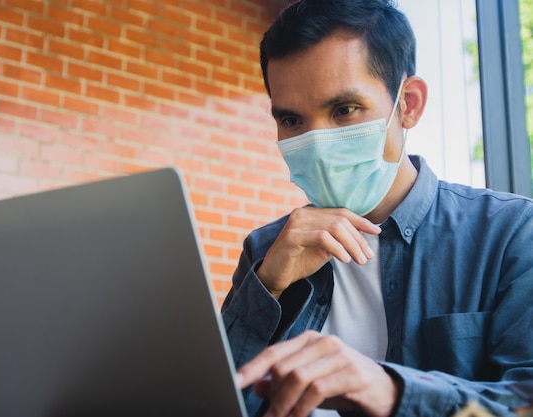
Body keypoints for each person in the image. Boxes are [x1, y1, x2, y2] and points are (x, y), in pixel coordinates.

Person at [220, 1, 533, 417]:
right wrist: (266, 289)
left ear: (409, 104)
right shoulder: (265, 249)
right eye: (293, 121)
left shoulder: (510, 234)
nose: (317, 143)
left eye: (344, 110)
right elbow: (215, 399)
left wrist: (390, 391)